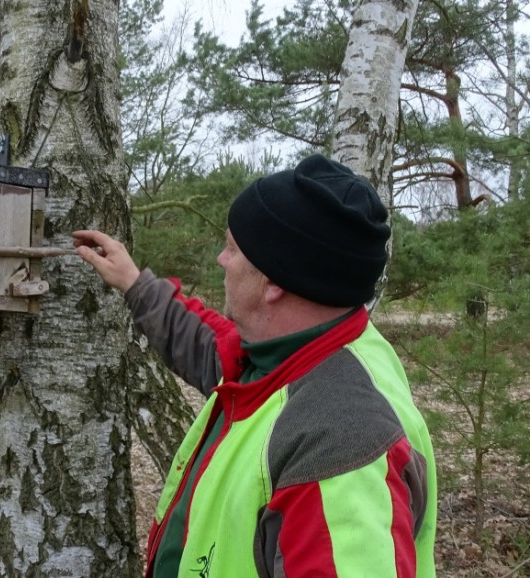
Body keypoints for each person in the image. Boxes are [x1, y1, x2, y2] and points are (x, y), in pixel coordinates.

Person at [73, 154, 437, 578]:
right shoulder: (293, 353)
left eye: (232, 247)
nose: (221, 260)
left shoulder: (341, 440)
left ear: (274, 282)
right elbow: (211, 346)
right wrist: (136, 284)